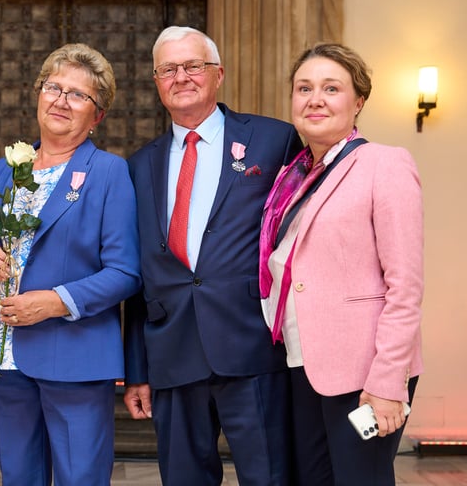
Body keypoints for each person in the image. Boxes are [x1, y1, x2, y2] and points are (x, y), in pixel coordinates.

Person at [123, 25, 303, 485]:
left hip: (252, 345)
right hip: (172, 352)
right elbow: (138, 272)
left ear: (218, 74)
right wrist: (137, 370)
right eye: (168, 69)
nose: (181, 76)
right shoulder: (139, 164)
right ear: (157, 82)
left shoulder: (274, 140)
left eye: (193, 65)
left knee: (269, 476)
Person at [0, 43, 141, 486]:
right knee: (18, 478)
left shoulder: (108, 173)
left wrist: (57, 301)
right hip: (4, 356)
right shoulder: (2, 170)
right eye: (53, 87)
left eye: (78, 95)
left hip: (74, 355)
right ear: (38, 94)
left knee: (81, 479)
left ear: (97, 116)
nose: (61, 100)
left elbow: (125, 273)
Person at [258, 43, 423, 485]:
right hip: (301, 362)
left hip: (364, 370)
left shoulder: (383, 164)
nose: (315, 99)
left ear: (359, 101)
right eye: (304, 88)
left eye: (331, 88)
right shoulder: (291, 178)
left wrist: (388, 382)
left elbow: (404, 287)